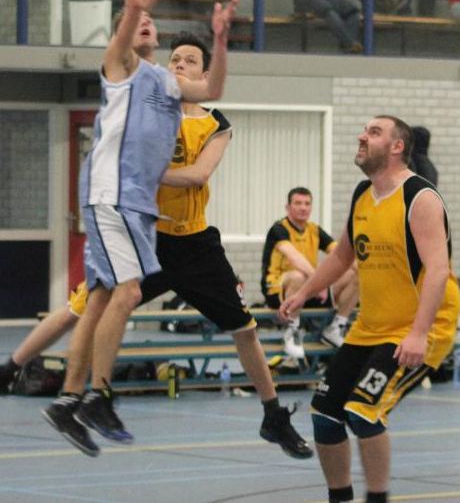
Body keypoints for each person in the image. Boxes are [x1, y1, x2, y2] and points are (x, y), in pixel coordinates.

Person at [4, 35, 312, 461]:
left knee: (245, 329)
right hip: (146, 236)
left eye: (190, 60)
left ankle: (273, 415)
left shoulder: (216, 123)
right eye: (175, 59)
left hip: (195, 244)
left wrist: (143, 169)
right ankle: (14, 368)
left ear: (204, 73)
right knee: (82, 307)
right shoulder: (150, 108)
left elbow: (198, 175)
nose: (179, 65)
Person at [41, 0, 239, 457]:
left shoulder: (164, 81)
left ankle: (70, 400)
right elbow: (133, 5)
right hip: (112, 195)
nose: (147, 22)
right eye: (140, 22)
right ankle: (97, 396)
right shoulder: (119, 66)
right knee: (126, 293)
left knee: (105, 297)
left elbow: (213, 90)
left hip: (134, 206)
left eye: (154, 21)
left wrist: (221, 38)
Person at [280, 115, 460, 503]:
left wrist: (419, 333)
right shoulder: (364, 193)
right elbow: (342, 256)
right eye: (365, 130)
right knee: (325, 414)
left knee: (363, 412)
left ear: (397, 146)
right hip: (371, 326)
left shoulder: (420, 197)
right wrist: (304, 293)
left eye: (374, 132)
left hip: (421, 326)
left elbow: (438, 270)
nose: (362, 136)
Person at [261, 187, 358, 359]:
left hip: (308, 290)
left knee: (356, 274)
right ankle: (292, 330)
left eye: (307, 204)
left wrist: (369, 272)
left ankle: (336, 328)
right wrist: (319, 283)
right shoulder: (278, 230)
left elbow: (342, 254)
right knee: (298, 275)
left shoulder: (314, 230)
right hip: (277, 290)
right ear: (288, 207)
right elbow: (295, 257)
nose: (303, 208)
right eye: (298, 203)